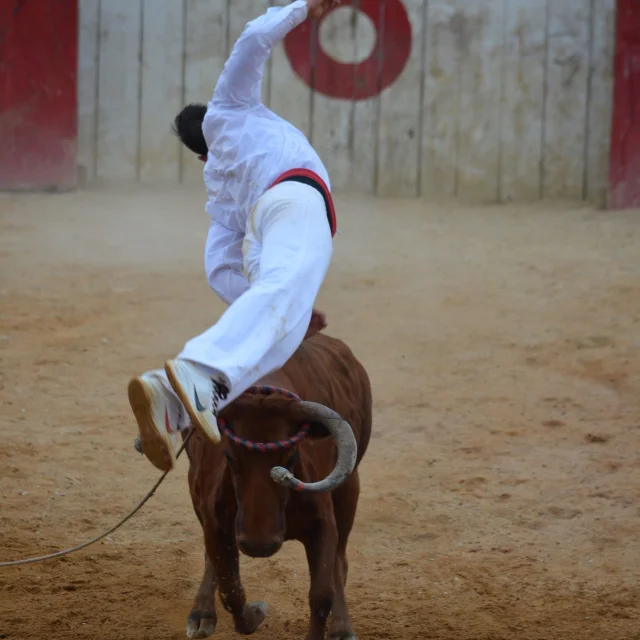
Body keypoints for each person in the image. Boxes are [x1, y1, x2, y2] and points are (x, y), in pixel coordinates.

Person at [127, 0, 341, 473]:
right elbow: (253, 38)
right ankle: (199, 372)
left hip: (264, 218)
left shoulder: (218, 191)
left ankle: (169, 401)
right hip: (297, 198)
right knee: (280, 295)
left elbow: (220, 270)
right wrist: (305, 6)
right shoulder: (231, 107)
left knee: (280, 333)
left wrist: (282, 306)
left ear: (200, 158)